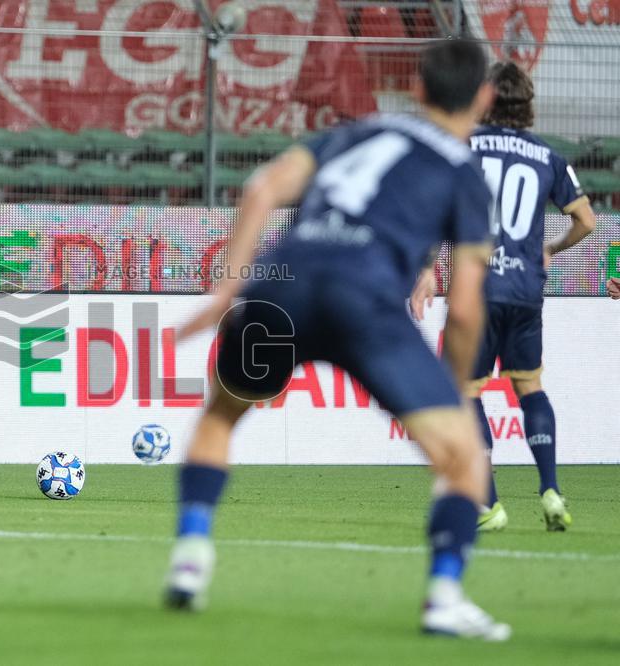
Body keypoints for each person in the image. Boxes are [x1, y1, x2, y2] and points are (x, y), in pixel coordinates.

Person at [166, 39, 510, 640]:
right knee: (464, 459)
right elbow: (463, 308)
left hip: (283, 289)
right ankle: (444, 596)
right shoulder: (465, 177)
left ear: (417, 88)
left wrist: (227, 289)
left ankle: (191, 557)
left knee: (221, 414)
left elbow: (262, 188)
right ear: (484, 97)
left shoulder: (356, 132)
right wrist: (455, 389)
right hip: (365, 302)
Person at [411, 61, 596, 532]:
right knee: (530, 387)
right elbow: (587, 221)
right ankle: (551, 490)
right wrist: (550, 250)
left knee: (463, 391)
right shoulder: (548, 155)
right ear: (528, 105)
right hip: (526, 289)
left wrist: (428, 269)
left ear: (486, 99)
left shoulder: (463, 145)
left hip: (476, 288)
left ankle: (488, 505)